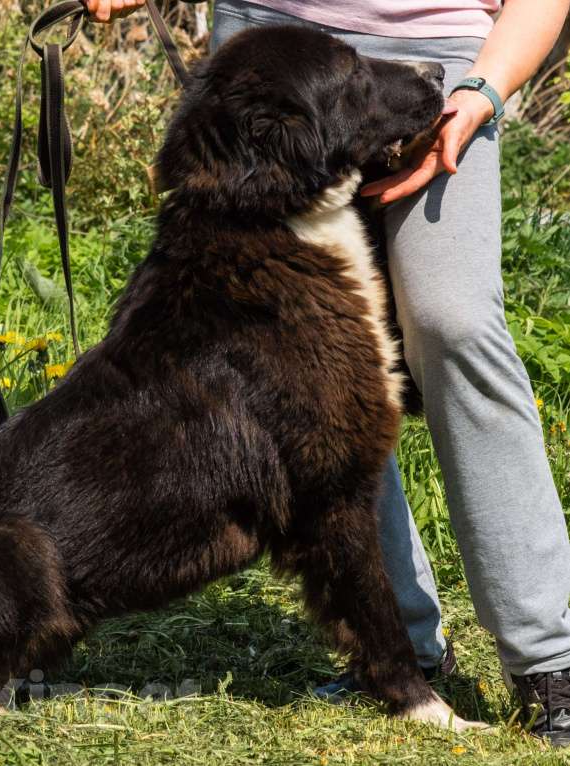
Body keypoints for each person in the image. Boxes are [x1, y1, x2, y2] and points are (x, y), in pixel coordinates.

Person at [86, 0, 570, 745]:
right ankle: (396, 647)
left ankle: (550, 658)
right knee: (308, 371)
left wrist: (482, 92)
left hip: (442, 49)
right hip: (269, 38)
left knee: (453, 322)